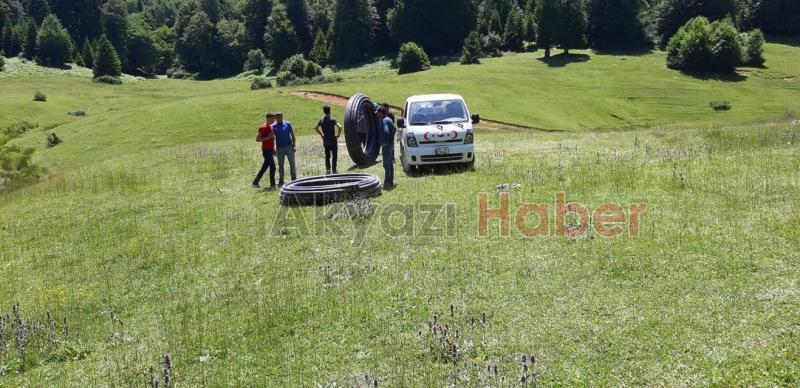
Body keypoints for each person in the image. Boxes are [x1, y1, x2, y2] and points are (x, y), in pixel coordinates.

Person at [314, 105, 343, 174]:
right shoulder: (333, 120)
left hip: (326, 141)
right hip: (333, 141)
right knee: (334, 155)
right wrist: (338, 135)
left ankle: (328, 169)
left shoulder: (321, 120)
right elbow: (340, 127)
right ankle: (334, 169)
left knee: (327, 156)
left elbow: (315, 127)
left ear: (324, 112)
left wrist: (321, 134)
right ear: (330, 111)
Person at [252, 112, 276, 189]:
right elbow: (257, 139)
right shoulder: (262, 127)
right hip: (265, 149)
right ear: (268, 118)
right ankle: (272, 185)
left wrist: (273, 149)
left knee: (267, 166)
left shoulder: (271, 127)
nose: (274, 120)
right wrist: (268, 138)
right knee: (271, 166)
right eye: (272, 118)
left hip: (270, 149)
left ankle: (256, 182)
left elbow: (272, 139)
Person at [272, 112, 297, 185]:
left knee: (292, 164)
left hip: (289, 147)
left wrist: (294, 145)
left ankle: (294, 179)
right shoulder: (273, 126)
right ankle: (281, 180)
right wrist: (273, 149)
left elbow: (292, 135)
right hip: (279, 148)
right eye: (278, 117)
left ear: (282, 117)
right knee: (281, 165)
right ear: (275, 118)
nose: (279, 118)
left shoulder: (287, 124)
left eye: (280, 117)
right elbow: (272, 138)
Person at [377, 106, 395, 190]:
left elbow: (386, 132)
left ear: (381, 113)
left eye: (378, 113)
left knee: (386, 164)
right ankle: (391, 181)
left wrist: (385, 142)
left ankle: (387, 182)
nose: (377, 114)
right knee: (390, 164)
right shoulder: (389, 119)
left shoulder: (384, 121)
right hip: (391, 145)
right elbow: (394, 130)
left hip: (387, 146)